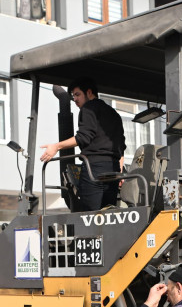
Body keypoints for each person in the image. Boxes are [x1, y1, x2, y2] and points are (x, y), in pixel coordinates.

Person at [38, 78, 126, 212]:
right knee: (108, 214)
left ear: (89, 92)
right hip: (113, 170)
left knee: (87, 216)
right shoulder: (114, 114)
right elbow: (121, 146)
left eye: (77, 94)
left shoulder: (88, 108)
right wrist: (120, 172)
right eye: (73, 96)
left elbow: (83, 137)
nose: (75, 99)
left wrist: (56, 146)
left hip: (94, 168)